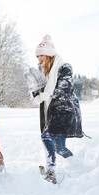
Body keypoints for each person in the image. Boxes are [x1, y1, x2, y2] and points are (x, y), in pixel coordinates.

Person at [28, 35, 83, 183]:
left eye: (41, 55)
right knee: (59, 147)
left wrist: (45, 94)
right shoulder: (42, 72)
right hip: (51, 113)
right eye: (37, 56)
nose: (39, 58)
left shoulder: (64, 67)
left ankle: (51, 169)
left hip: (64, 111)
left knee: (46, 136)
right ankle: (77, 164)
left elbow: (64, 90)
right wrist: (35, 90)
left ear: (50, 54)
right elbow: (39, 94)